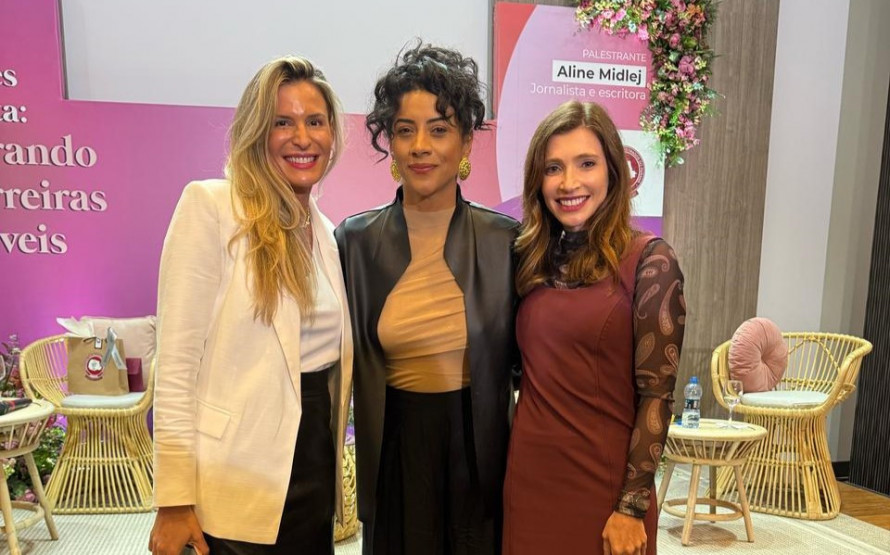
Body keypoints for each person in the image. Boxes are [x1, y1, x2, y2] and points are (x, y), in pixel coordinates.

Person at [148, 56, 353, 555]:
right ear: (257, 132)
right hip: (230, 475)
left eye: (315, 121)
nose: (302, 138)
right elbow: (175, 366)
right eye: (283, 122)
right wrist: (173, 500)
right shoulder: (212, 207)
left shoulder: (329, 235)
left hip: (312, 461)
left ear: (332, 134)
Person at [335, 43, 519, 555]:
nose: (421, 146)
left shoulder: (506, 241)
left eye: (439, 130)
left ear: (465, 141)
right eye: (405, 130)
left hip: (478, 449)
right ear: (390, 143)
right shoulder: (355, 241)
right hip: (394, 446)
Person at [502, 101, 686, 555]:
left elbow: (657, 396)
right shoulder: (530, 259)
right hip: (528, 484)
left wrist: (631, 507)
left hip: (606, 492)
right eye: (553, 168)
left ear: (613, 171)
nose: (569, 183)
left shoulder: (650, 261)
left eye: (586, 163)